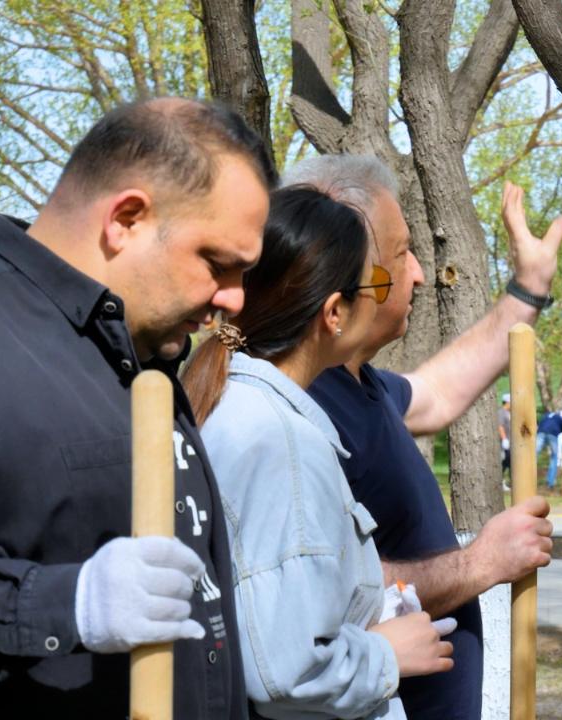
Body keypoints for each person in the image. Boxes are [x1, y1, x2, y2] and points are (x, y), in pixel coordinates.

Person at [0, 98, 274, 717]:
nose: (234, 299)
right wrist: (70, 603)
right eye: (218, 264)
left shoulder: (144, 353)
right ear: (126, 219)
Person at [283, 155, 562, 720]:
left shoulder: (357, 382)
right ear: (347, 268)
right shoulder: (304, 404)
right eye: (402, 252)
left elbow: (439, 391)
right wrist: (482, 562)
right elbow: (323, 583)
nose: (417, 273)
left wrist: (529, 288)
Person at [183, 187, 455, 719]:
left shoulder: (237, 404)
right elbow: (286, 670)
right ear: (334, 313)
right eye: (376, 283)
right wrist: (386, 654)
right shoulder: (278, 441)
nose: (386, 295)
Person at [535, 409, 562, 491]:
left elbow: (538, 427)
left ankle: (527, 476)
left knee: (533, 456)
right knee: (554, 458)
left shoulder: (546, 416)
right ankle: (550, 482)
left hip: (540, 433)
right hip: (553, 435)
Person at [499, 393, 512, 488]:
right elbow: (500, 426)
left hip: (509, 442)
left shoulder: (508, 413)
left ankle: (506, 482)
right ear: (508, 402)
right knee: (504, 462)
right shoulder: (501, 412)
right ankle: (501, 482)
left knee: (508, 462)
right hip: (503, 443)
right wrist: (504, 439)